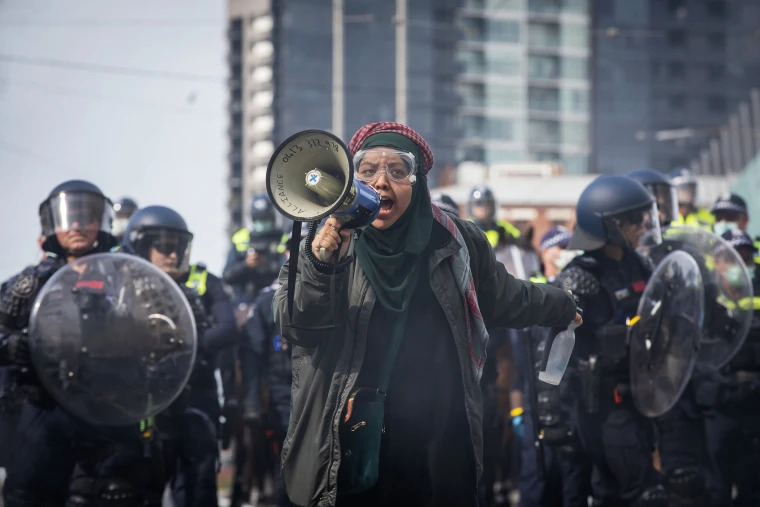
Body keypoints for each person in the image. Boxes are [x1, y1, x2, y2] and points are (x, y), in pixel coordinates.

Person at [274, 122, 581, 507]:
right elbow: (296, 325)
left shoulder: (457, 240)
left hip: (437, 439)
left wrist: (562, 305)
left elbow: (505, 296)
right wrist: (321, 268)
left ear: (418, 182)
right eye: (367, 171)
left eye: (397, 171)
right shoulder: (325, 241)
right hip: (347, 437)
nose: (381, 182)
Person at [0, 180, 166, 506]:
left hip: (108, 407)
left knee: (117, 491)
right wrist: (11, 347)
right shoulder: (27, 283)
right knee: (27, 493)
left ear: (101, 222)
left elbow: (160, 330)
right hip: (44, 408)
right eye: (68, 217)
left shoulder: (126, 277)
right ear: (52, 224)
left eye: (85, 217)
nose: (76, 226)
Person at [555, 175, 668, 506]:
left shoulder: (641, 266)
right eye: (633, 220)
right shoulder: (579, 277)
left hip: (643, 400)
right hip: (604, 407)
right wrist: (551, 410)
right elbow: (555, 349)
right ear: (609, 224)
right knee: (644, 494)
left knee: (613, 496)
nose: (641, 225)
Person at [121, 205, 238, 507]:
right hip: (144, 402)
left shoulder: (205, 281)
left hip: (196, 395)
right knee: (140, 487)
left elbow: (227, 329)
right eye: (163, 247)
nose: (173, 255)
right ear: (141, 247)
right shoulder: (123, 286)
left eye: (179, 247)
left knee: (197, 487)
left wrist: (181, 346)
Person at [510, 227, 591, 507]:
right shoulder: (529, 291)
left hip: (571, 401)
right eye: (560, 247)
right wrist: (517, 409)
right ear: (545, 252)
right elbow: (519, 362)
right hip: (537, 403)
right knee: (537, 485)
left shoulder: (579, 287)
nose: (566, 253)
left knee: (574, 488)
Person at [703, 229, 760, 507]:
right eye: (733, 258)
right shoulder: (703, 302)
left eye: (747, 259)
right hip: (716, 409)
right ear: (718, 263)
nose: (741, 265)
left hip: (753, 406)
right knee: (715, 490)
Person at [223, 194, 284, 304]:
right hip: (245, 302)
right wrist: (246, 265)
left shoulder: (282, 239)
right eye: (258, 219)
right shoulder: (240, 239)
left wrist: (268, 263)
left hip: (276, 300)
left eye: (266, 219)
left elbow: (290, 271)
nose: (262, 222)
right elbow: (227, 276)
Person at [468, 185, 521, 250]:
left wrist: (510, 241)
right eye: (478, 204)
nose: (483, 208)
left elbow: (521, 240)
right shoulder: (466, 228)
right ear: (471, 207)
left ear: (492, 206)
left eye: (487, 204)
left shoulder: (502, 227)